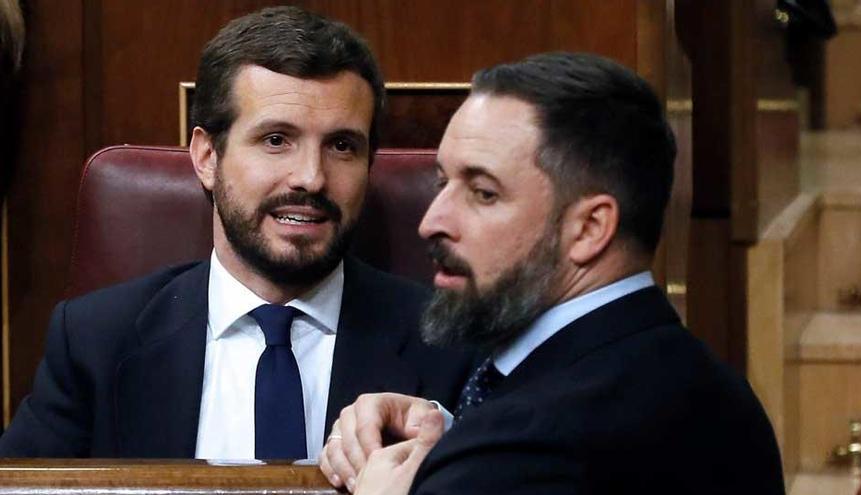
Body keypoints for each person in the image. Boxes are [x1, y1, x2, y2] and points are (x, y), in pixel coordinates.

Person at [0, 6, 469, 460]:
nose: (311, 177)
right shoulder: (95, 341)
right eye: (276, 140)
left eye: (342, 146)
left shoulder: (450, 345)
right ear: (207, 157)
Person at [319, 52, 785, 494]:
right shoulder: (718, 390)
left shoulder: (526, 446)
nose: (432, 221)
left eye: (483, 193)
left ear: (589, 228)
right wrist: (449, 429)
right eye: (443, 183)